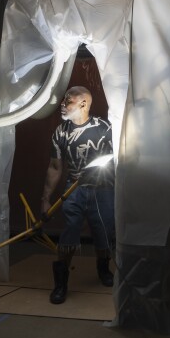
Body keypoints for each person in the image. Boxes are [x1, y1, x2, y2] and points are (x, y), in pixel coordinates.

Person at [40, 86, 115, 304]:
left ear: (83, 103)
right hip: (74, 189)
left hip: (103, 188)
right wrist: (45, 200)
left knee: (104, 229)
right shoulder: (61, 132)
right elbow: (55, 167)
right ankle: (60, 283)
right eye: (63, 101)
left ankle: (104, 269)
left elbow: (120, 158)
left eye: (68, 101)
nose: (62, 105)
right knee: (70, 230)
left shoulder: (104, 129)